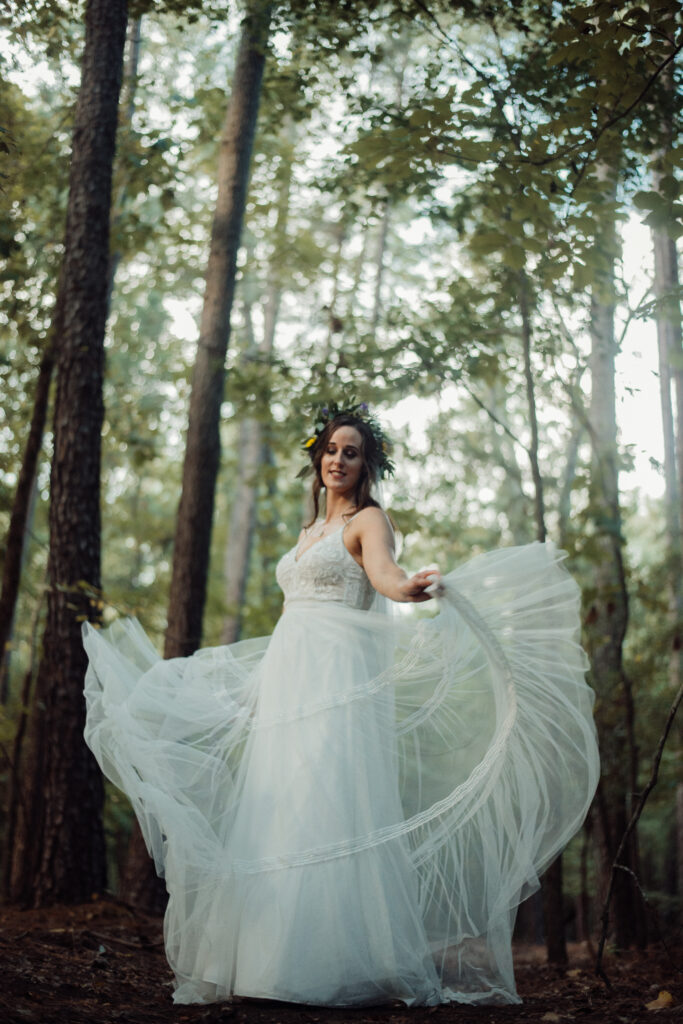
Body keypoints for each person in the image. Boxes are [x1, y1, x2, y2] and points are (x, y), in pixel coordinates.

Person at [82, 401, 600, 1008]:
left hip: (336, 682)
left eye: (351, 452)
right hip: (289, 677)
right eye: (330, 450)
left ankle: (330, 965)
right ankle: (268, 962)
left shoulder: (368, 520)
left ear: (366, 464)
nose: (338, 460)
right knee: (279, 801)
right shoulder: (309, 533)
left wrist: (408, 588)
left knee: (325, 797)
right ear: (317, 457)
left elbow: (383, 575)